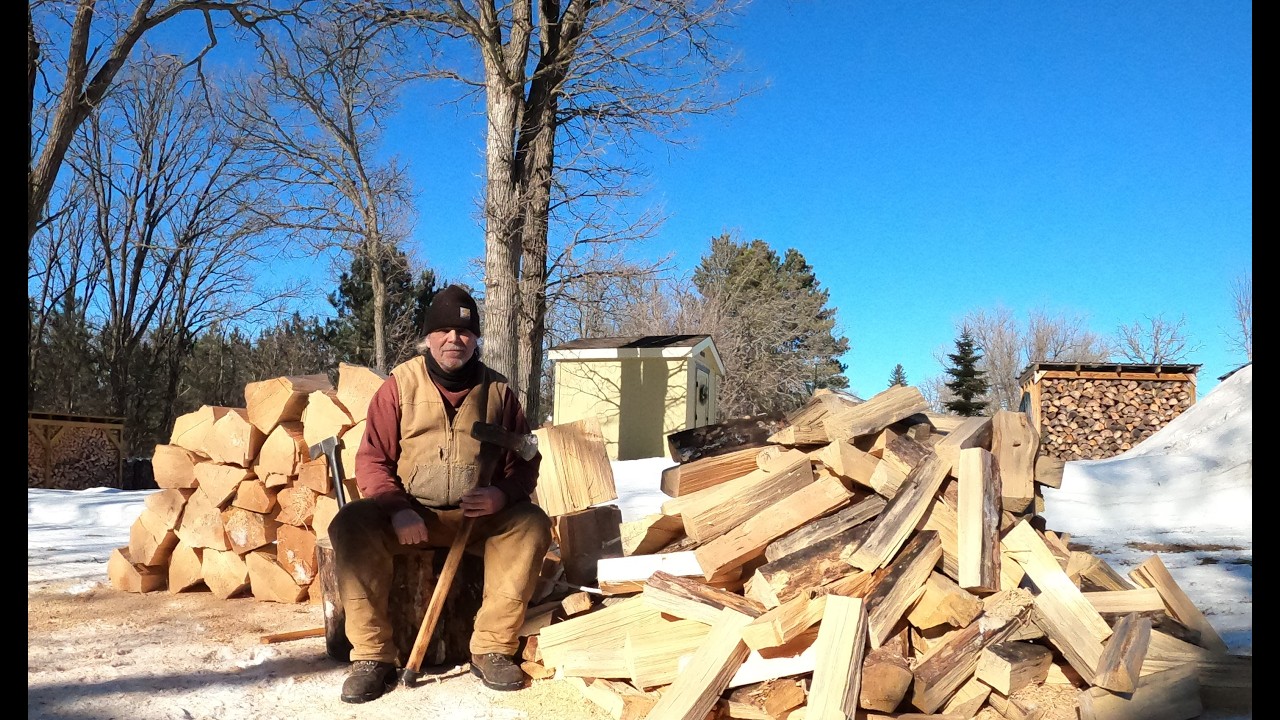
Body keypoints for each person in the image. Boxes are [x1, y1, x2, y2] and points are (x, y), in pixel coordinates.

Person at [327, 284, 552, 704]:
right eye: (444, 330)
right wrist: (397, 509)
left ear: (475, 338)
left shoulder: (499, 392)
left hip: (477, 518)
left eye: (465, 332)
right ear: (428, 337)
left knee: (531, 523)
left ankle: (492, 647)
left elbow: (526, 460)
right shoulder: (400, 385)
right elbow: (372, 461)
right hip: (412, 517)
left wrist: (502, 496)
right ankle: (372, 656)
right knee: (350, 523)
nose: (454, 339)